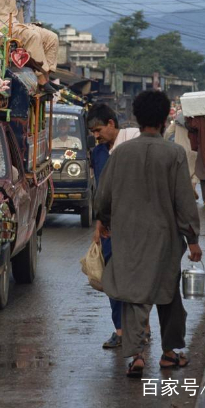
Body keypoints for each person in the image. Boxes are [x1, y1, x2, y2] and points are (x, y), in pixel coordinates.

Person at [95, 90, 202, 378]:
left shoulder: (120, 154)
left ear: (136, 118)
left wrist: (104, 221)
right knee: (168, 296)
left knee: (133, 297)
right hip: (166, 240)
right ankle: (169, 354)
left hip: (127, 238)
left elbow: (103, 196)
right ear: (166, 117)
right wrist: (192, 239)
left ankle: (137, 356)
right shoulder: (174, 154)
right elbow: (184, 202)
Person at [87, 103, 144, 349]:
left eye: (99, 130)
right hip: (109, 228)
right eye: (93, 132)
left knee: (137, 279)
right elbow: (100, 193)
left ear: (111, 124)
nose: (96, 136)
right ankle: (120, 331)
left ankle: (143, 328)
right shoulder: (98, 154)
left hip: (135, 226)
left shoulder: (133, 148)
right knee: (112, 279)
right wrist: (98, 224)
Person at [165, 111, 200, 199]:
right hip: (194, 149)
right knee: (196, 169)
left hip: (179, 150)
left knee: (181, 171)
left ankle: (182, 192)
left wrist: (164, 141)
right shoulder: (197, 120)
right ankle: (193, 185)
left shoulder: (177, 121)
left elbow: (168, 132)